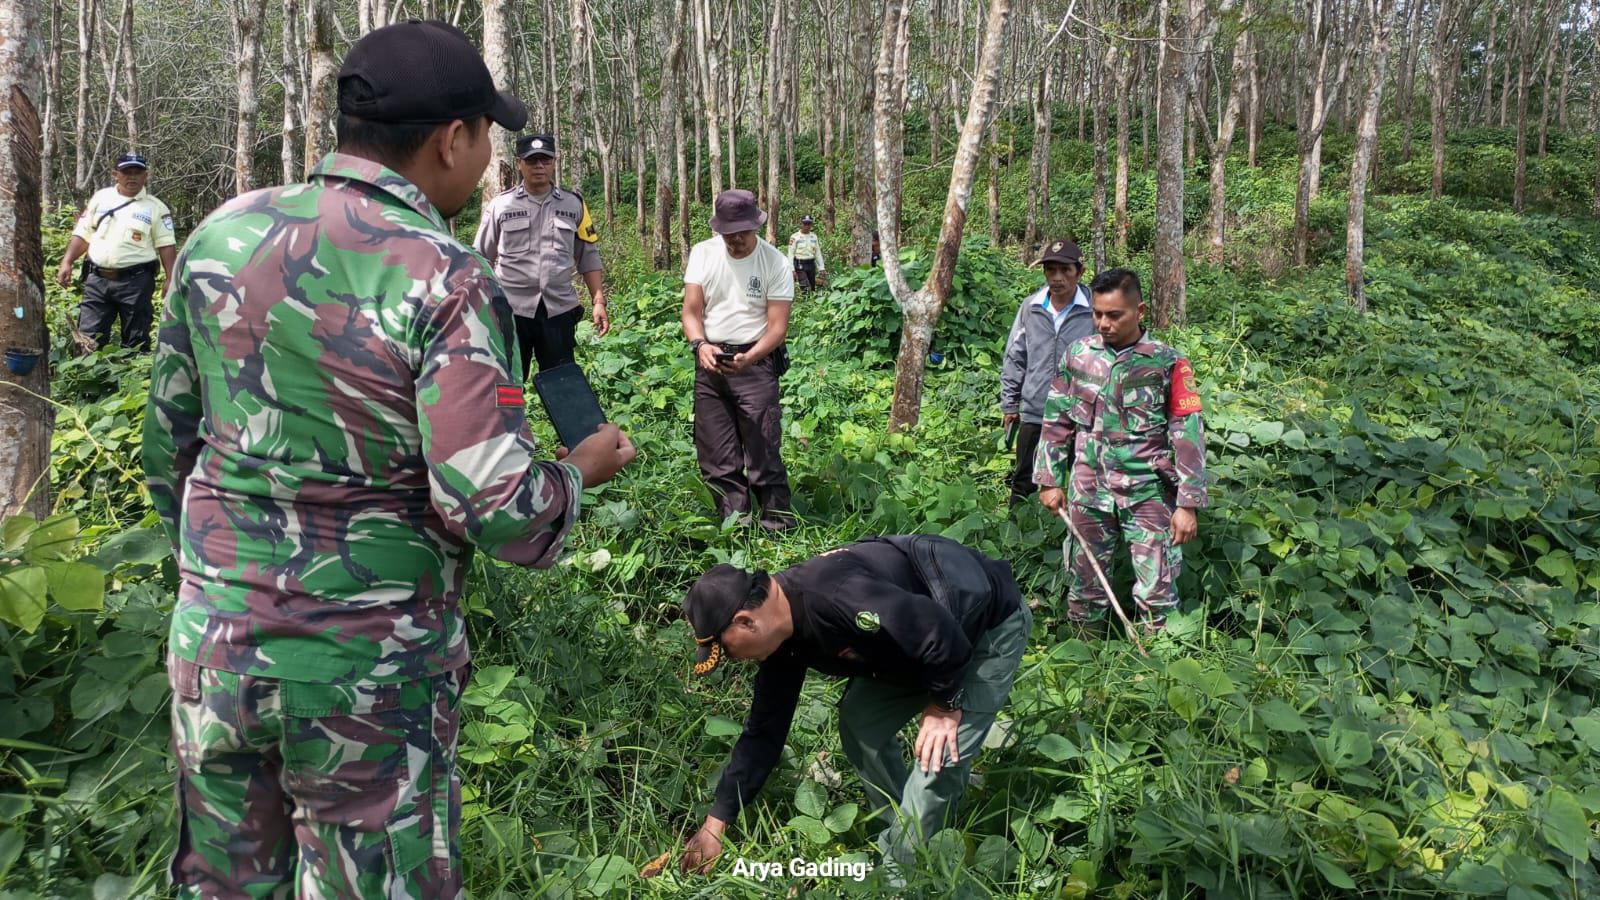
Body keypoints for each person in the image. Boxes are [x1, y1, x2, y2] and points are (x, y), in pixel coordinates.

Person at [142, 20, 635, 898]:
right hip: (368, 672)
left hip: (217, 648)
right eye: (487, 136)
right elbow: (494, 506)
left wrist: (223, 575)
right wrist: (579, 472)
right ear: (454, 140)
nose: (490, 156)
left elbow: (170, 447)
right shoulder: (442, 274)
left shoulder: (224, 233)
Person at [677, 535, 1031, 874]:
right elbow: (765, 729)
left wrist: (943, 707)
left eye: (729, 649)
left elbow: (936, 631)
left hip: (983, 630)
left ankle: (902, 877)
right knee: (861, 722)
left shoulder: (835, 596)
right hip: (919, 651)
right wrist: (716, 823)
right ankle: (904, 831)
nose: (735, 659)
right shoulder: (781, 635)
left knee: (936, 761)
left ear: (745, 621)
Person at [1033, 267, 1207, 633]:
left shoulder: (1167, 362)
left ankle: (1158, 666)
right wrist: (1049, 480)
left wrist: (1188, 504)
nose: (1104, 323)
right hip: (1089, 493)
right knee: (1085, 586)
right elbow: (1055, 422)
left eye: (1115, 315)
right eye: (1097, 314)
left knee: (1157, 589)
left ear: (1140, 311)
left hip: (1147, 494)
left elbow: (1187, 433)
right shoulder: (1078, 356)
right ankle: (1087, 660)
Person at [681, 189, 795, 530]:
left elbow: (777, 328)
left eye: (743, 232)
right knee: (716, 452)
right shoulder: (703, 254)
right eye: (729, 234)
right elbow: (690, 311)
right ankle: (736, 523)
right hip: (711, 358)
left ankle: (777, 524)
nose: (737, 240)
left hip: (756, 362)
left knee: (763, 447)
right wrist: (700, 346)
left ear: (756, 226)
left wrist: (749, 358)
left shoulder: (775, 262)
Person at [473, 133, 607, 377]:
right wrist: (481, 306)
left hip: (558, 310)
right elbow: (481, 257)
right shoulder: (501, 205)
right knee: (507, 382)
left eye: (545, 160)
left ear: (555, 162)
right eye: (532, 161)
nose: (539, 166)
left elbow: (588, 256)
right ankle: (514, 418)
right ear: (519, 163)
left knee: (562, 384)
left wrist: (598, 301)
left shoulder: (573, 204)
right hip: (512, 311)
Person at [1000, 239, 1095, 508]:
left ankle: (1072, 534)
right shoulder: (1031, 307)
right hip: (1036, 408)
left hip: (1082, 411)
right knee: (1025, 477)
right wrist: (1010, 402)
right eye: (1050, 270)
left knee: (1082, 476)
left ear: (1079, 271)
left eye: (1065, 270)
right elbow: (1015, 356)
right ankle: (1016, 538)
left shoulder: (1094, 309)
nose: (1057, 278)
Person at [55, 151, 177, 352]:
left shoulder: (156, 208)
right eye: (126, 172)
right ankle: (89, 379)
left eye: (137, 172)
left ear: (145, 175)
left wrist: (170, 277)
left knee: (136, 340)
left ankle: (133, 381)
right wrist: (67, 262)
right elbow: (83, 233)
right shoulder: (101, 199)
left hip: (136, 282)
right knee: (88, 339)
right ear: (115, 175)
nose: (132, 177)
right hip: (97, 280)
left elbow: (166, 245)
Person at [786, 214, 826, 293]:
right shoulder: (795, 237)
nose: (807, 226)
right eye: (805, 223)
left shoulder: (814, 237)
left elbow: (818, 253)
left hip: (811, 264)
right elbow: (790, 254)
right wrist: (792, 270)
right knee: (805, 287)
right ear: (801, 224)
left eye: (809, 224)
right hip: (800, 265)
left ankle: (812, 304)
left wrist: (821, 268)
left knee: (812, 287)